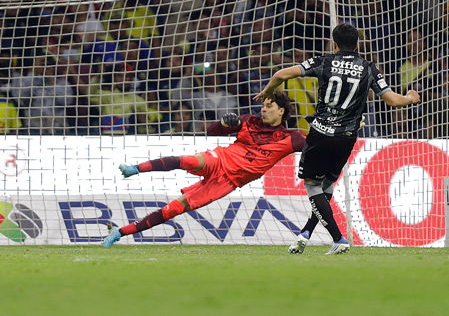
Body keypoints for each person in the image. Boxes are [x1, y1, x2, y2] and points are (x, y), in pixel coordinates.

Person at [255, 23, 420, 255]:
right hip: (347, 137)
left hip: (321, 132)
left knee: (312, 186)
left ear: (334, 43)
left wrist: (269, 91)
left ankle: (338, 238)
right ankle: (305, 233)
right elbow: (392, 101)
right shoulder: (369, 68)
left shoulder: (324, 61)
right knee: (327, 184)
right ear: (357, 44)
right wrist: (410, 97)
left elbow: (281, 74)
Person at [102, 93, 303, 247]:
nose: (264, 110)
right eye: (263, 106)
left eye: (269, 106)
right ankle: (134, 169)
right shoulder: (249, 120)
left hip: (228, 182)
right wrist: (223, 124)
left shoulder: (291, 138)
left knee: (173, 209)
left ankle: (119, 232)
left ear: (282, 111)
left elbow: (319, 146)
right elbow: (211, 131)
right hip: (220, 159)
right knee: (188, 161)